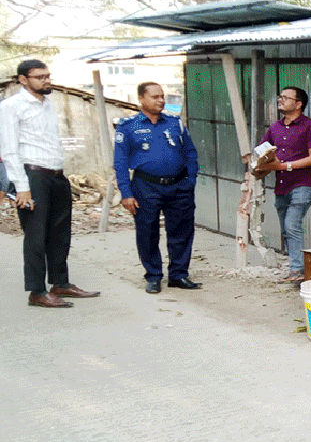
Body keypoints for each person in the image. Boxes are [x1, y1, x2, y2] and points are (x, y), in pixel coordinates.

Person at [0, 59, 100, 307]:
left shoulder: (47, 105)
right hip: (33, 177)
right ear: (23, 80)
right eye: (40, 77)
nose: (47, 80)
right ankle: (37, 291)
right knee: (36, 236)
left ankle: (60, 283)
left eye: (48, 76)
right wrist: (22, 187)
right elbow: (9, 150)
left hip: (56, 176)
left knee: (60, 233)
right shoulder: (11, 106)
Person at [114, 82, 201, 294]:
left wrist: (190, 180)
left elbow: (190, 152)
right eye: (155, 97)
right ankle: (153, 276)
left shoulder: (174, 122)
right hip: (146, 186)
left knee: (181, 231)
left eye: (162, 96)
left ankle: (179, 275)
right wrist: (126, 193)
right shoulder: (128, 126)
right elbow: (120, 162)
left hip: (179, 186)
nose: (161, 101)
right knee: (147, 232)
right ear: (141, 99)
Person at [253, 87, 311, 282]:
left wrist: (284, 165)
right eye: (280, 97)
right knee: (286, 229)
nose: (280, 100)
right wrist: (258, 166)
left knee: (292, 224)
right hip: (282, 184)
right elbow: (262, 152)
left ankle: (297, 270)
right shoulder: (275, 128)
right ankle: (297, 267)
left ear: (298, 104)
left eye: (285, 97)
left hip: (304, 182)